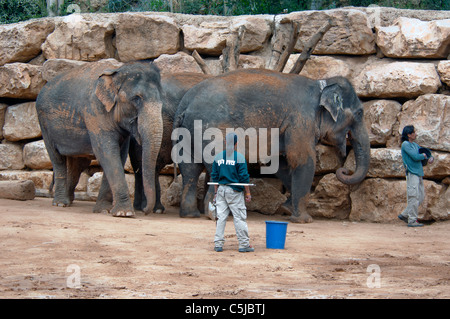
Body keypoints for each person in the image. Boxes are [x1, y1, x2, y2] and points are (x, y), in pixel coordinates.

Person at [211, 132, 254, 252]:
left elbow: (214, 177)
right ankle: (244, 244)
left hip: (221, 191)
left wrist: (215, 193)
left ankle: (218, 244)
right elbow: (244, 177)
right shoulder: (239, 158)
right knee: (239, 218)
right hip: (234, 191)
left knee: (221, 217)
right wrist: (248, 193)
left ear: (225, 142)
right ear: (236, 143)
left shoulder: (218, 157)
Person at [398, 125, 434, 227]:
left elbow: (424, 151)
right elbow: (415, 156)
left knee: (420, 196)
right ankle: (412, 220)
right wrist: (423, 156)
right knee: (413, 196)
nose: (415, 134)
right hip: (412, 173)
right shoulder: (405, 145)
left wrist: (430, 157)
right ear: (409, 134)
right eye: (413, 132)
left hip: (418, 173)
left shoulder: (414, 145)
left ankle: (405, 214)